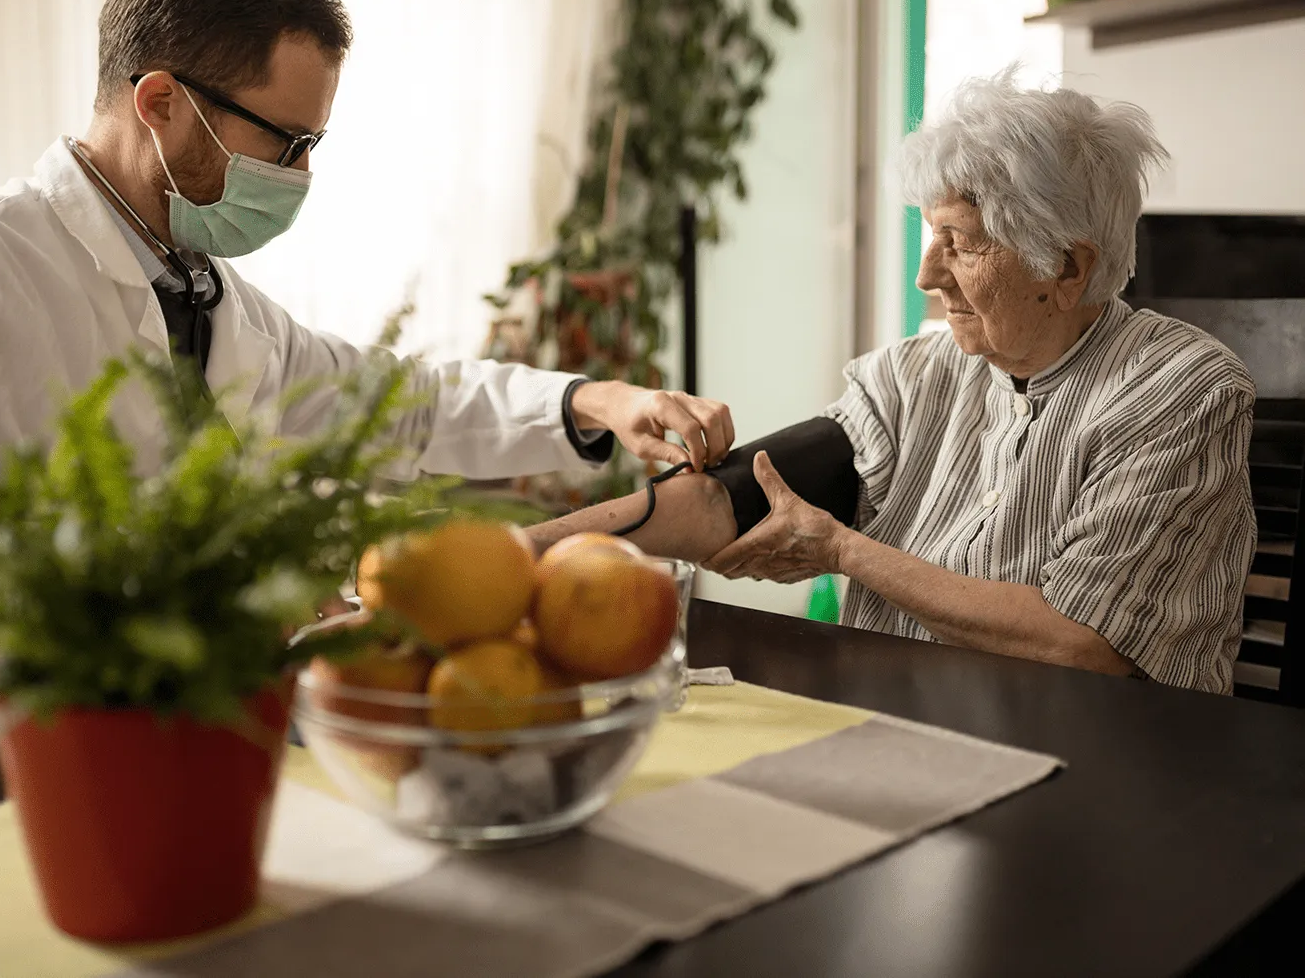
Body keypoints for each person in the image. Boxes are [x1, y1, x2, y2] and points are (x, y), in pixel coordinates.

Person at [0, 0, 733, 647]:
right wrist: (190, 596)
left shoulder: (217, 304)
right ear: (161, 102)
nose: (301, 174)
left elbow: (403, 402)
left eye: (314, 144)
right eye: (288, 143)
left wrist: (598, 402)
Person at [529, 73, 1256, 695]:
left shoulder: (1181, 392)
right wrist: (522, 552)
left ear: (1067, 268)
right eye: (928, 235)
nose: (926, 276)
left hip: (1110, 774)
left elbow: (1082, 642)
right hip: (904, 731)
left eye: (961, 244)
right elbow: (727, 499)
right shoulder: (913, 376)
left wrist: (845, 552)